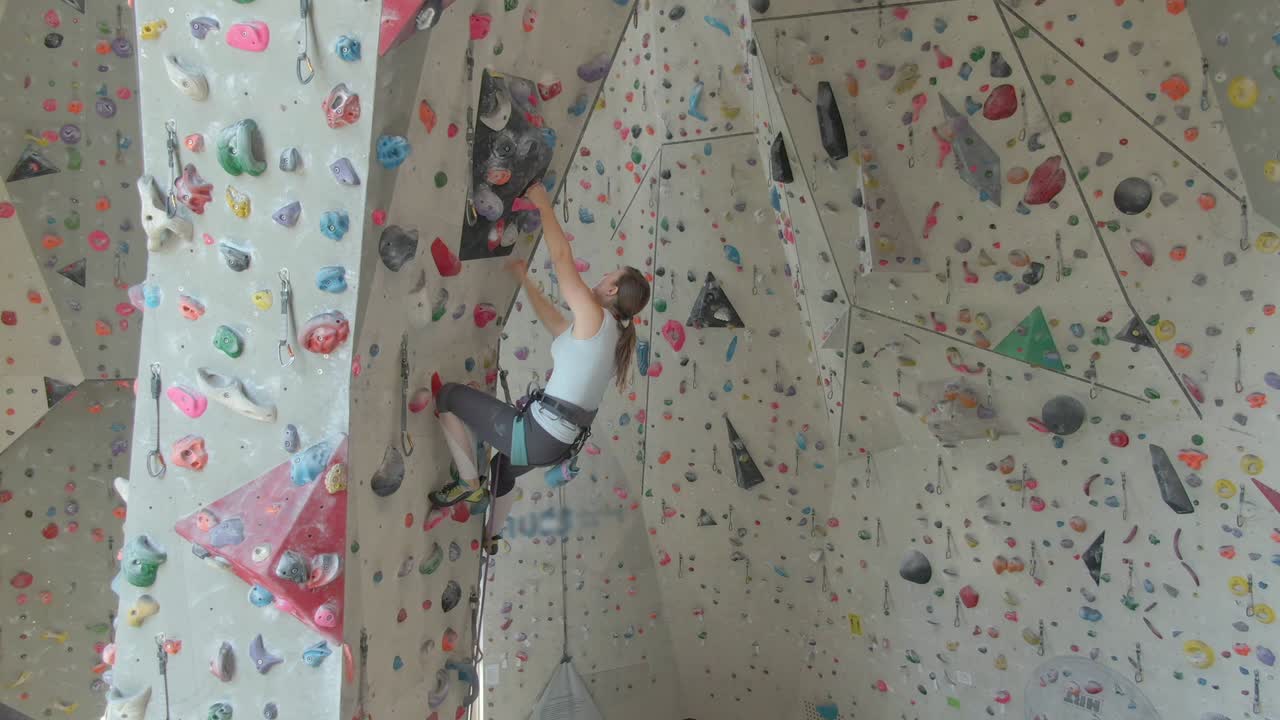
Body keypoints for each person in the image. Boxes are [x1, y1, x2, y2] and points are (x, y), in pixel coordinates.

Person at [429, 183, 651, 553]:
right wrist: (524, 280)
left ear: (613, 291)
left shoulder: (596, 318)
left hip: (537, 434)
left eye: (608, 276)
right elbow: (555, 322)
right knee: (502, 470)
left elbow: (563, 259)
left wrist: (543, 204)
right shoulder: (609, 338)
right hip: (555, 446)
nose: (599, 279)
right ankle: (492, 536)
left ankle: (469, 484)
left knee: (447, 396)